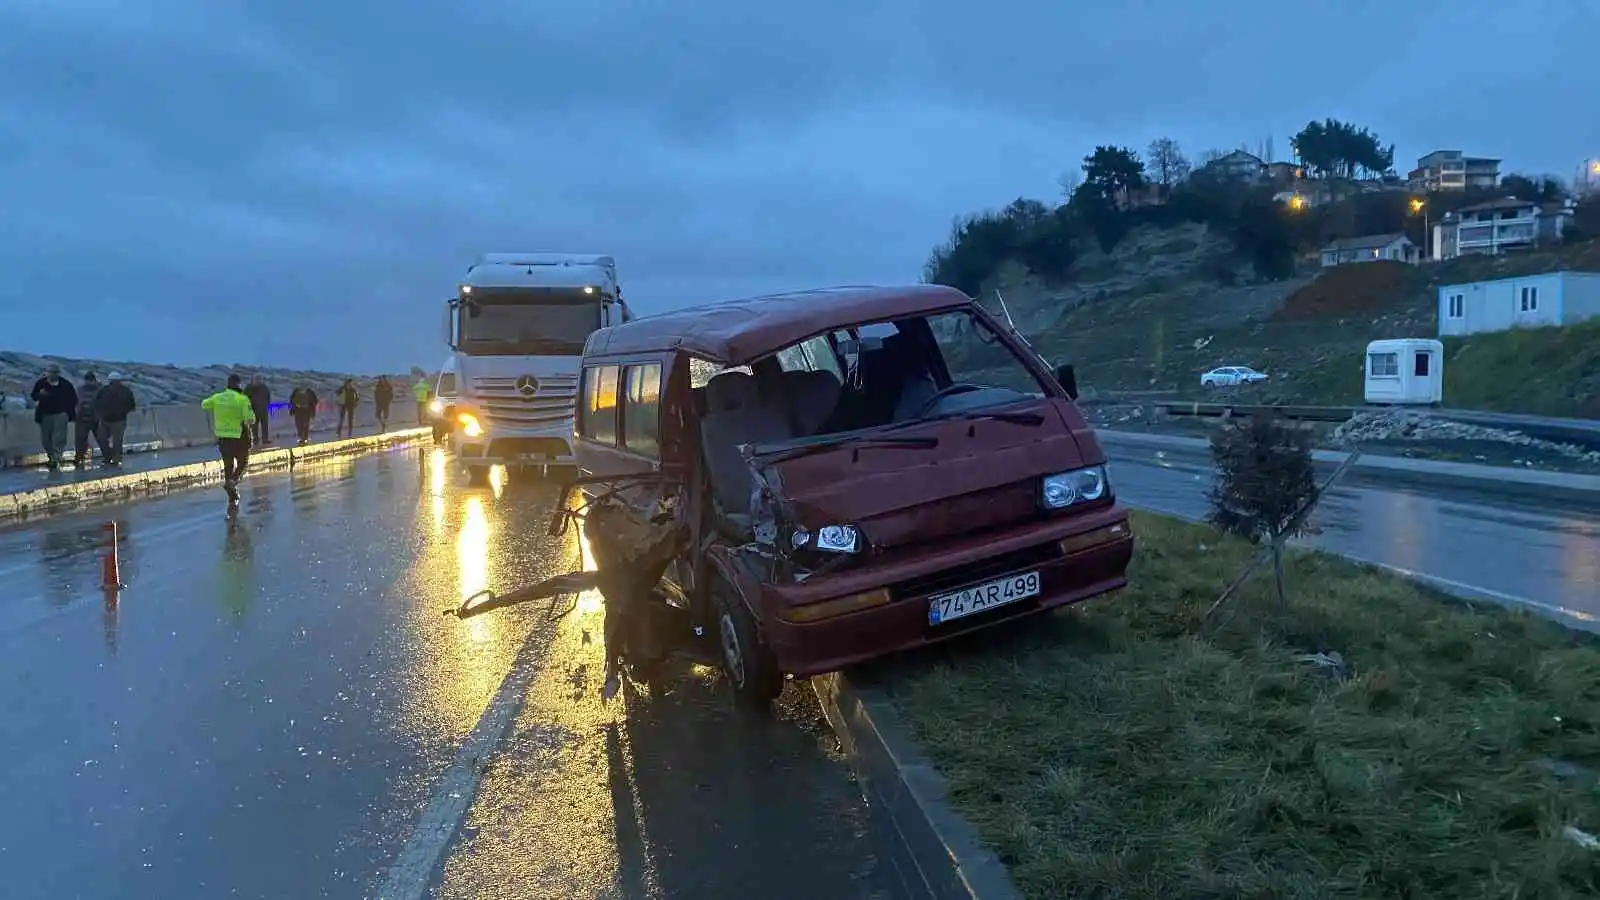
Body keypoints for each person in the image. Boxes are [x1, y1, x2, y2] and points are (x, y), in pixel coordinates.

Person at [201, 374, 257, 504]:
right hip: (239, 437)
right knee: (242, 463)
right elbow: (251, 419)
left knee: (228, 465)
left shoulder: (217, 397)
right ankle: (233, 481)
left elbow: (204, 404)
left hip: (223, 438)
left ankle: (231, 494)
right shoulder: (242, 399)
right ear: (239, 385)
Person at [30, 364, 78, 471]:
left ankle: (57, 457)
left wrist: (67, 412)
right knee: (45, 438)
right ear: (47, 373)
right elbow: (33, 396)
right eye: (50, 372)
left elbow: (74, 399)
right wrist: (40, 395)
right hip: (45, 415)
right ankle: (51, 456)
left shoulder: (66, 384)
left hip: (60, 414)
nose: (52, 375)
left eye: (54, 372)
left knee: (59, 437)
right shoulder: (41, 383)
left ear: (58, 374)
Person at [94, 372, 137, 465]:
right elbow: (132, 405)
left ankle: (112, 457)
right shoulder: (126, 391)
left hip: (115, 419)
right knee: (111, 440)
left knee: (109, 440)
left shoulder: (104, 390)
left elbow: (97, 403)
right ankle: (112, 457)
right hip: (112, 419)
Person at [73, 370, 107, 468]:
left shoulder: (100, 389)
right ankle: (79, 457)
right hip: (81, 419)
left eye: (90, 380)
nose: (89, 382)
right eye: (87, 380)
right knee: (80, 440)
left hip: (96, 419)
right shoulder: (79, 390)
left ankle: (108, 456)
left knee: (101, 439)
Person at [244, 375, 272, 447]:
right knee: (254, 426)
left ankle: (265, 439)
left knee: (264, 425)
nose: (258, 381)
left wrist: (267, 405)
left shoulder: (264, 387)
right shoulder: (249, 388)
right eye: (256, 379)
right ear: (253, 380)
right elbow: (245, 398)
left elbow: (268, 396)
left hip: (263, 410)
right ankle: (255, 440)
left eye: (259, 379)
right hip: (253, 410)